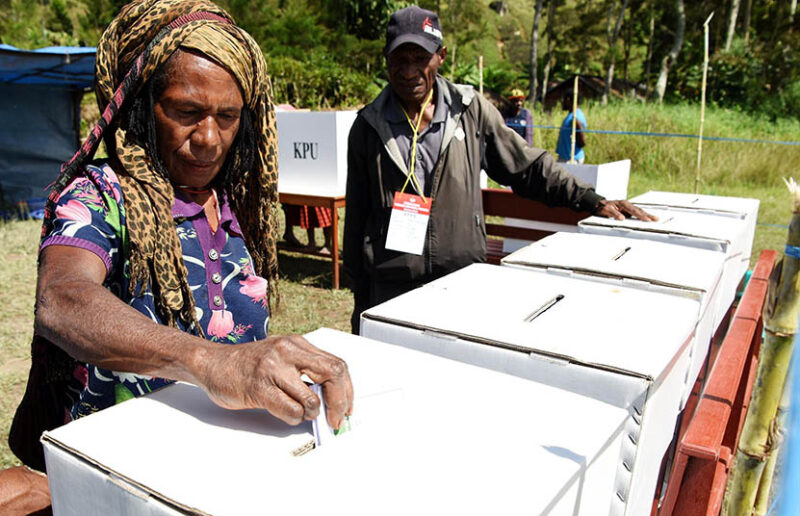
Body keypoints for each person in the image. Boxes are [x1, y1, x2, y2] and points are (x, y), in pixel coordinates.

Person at [9, 0, 352, 473]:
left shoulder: (237, 202)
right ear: (143, 107)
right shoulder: (101, 195)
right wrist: (209, 362)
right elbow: (63, 298)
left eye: (228, 116)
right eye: (187, 111)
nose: (209, 138)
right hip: (120, 472)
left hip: (222, 465)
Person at [344, 5, 654, 333]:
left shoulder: (470, 111)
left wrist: (592, 200)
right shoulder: (368, 127)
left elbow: (527, 167)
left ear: (441, 56)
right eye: (399, 60)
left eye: (420, 58)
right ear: (385, 59)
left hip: (461, 284)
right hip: (393, 288)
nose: (409, 72)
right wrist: (361, 302)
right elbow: (357, 217)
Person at [556, 89, 587, 163]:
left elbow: (582, 141)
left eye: (564, 100)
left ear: (568, 100)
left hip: (572, 159)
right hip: (564, 157)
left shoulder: (576, 117)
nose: (562, 102)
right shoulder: (570, 115)